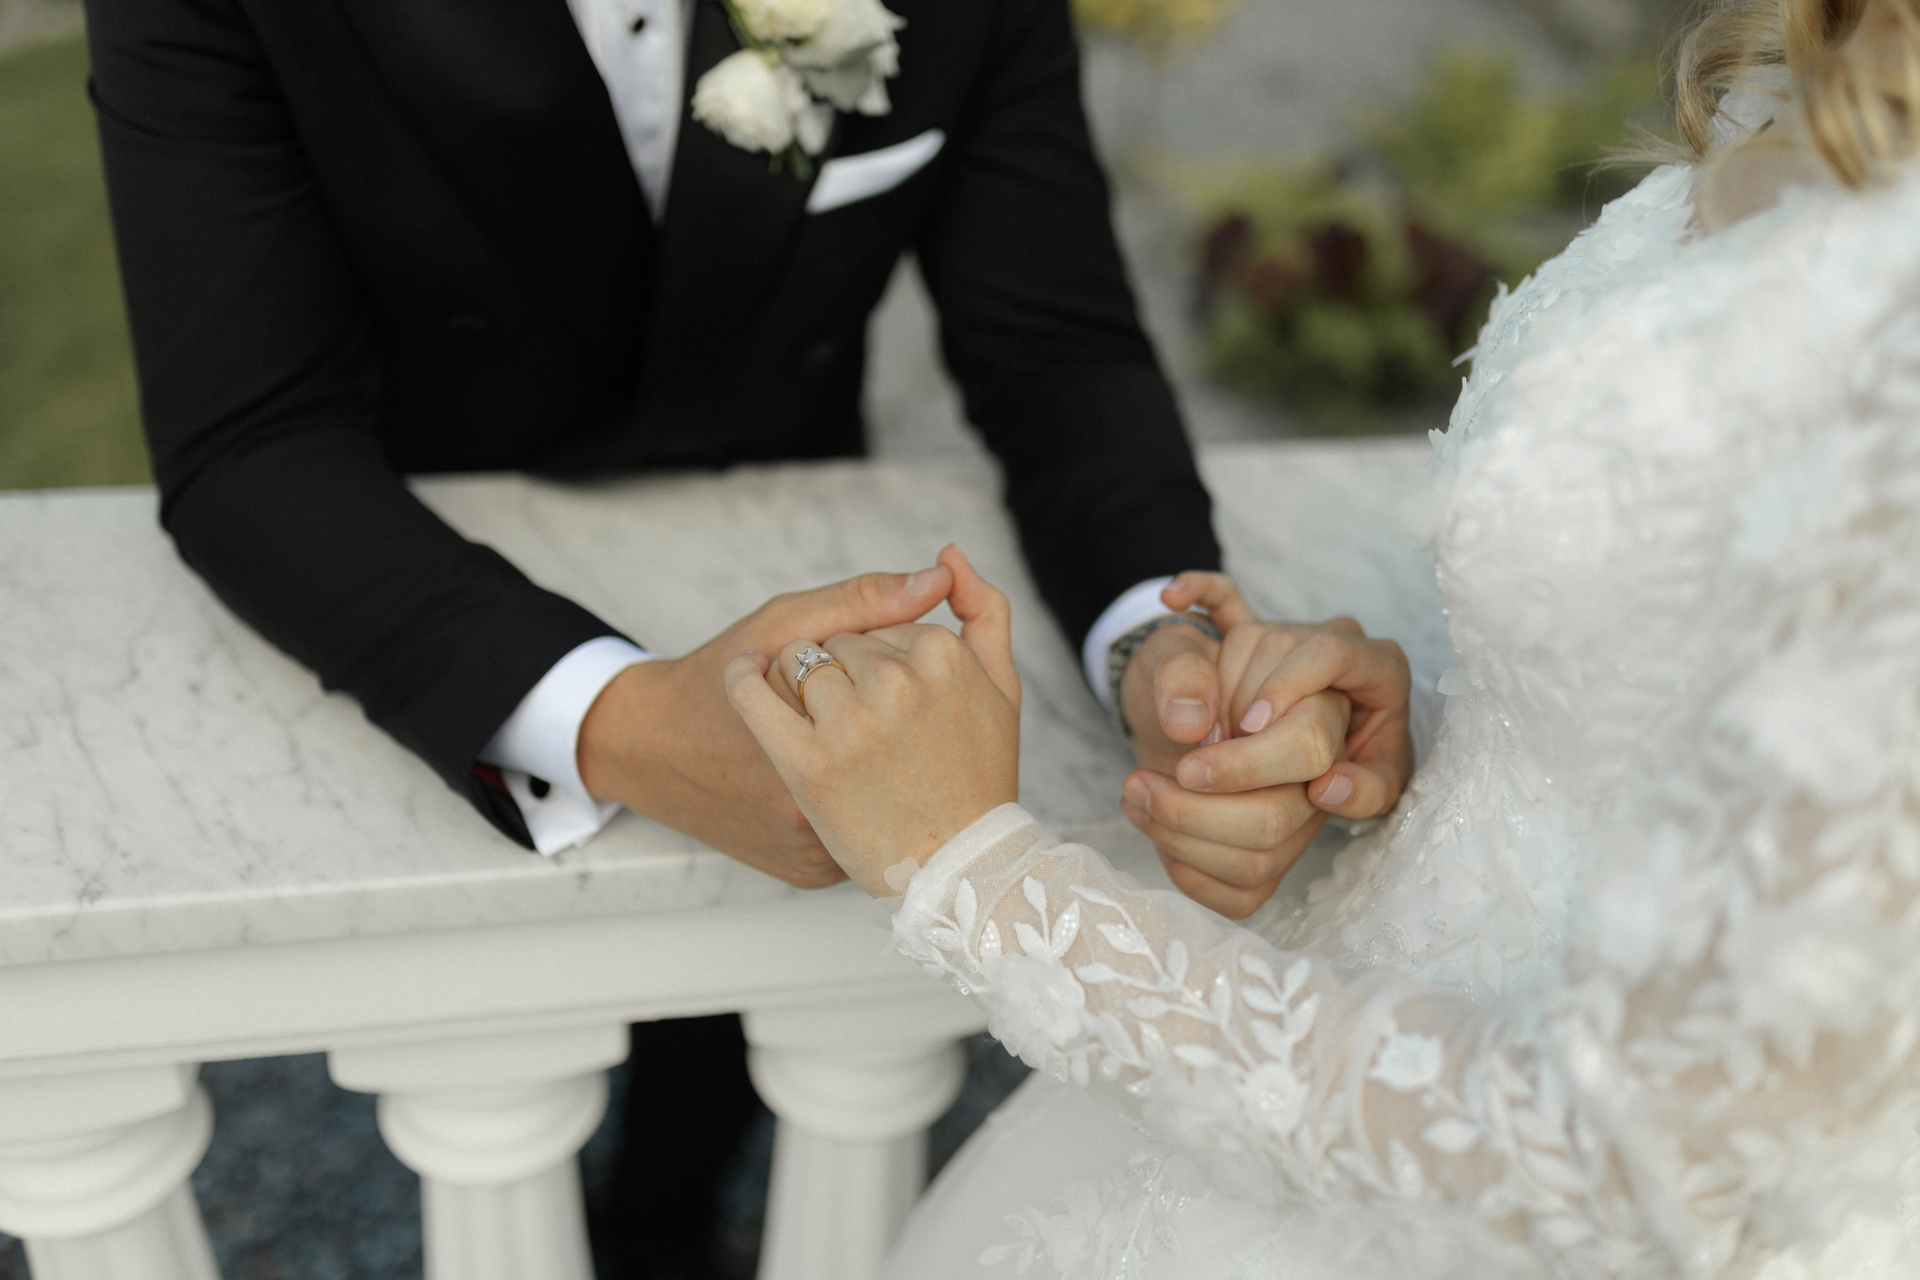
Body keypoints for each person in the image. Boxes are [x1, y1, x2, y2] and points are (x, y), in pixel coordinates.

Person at [80, 0, 1412, 1268]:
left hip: (784, 531)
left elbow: (1058, 354)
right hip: (420, 559)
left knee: (712, 1068)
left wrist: (1157, 651)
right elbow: (250, 442)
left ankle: (665, 1219)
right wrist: (610, 716)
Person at [727, 3, 1920, 1274]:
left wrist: (989, 886)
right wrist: (1429, 731)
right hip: (1377, 1003)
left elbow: (1623, 1169)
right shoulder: (1807, 68)